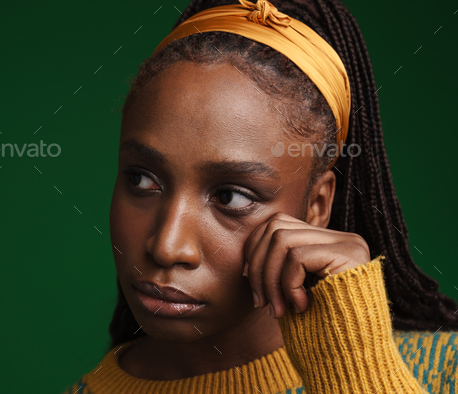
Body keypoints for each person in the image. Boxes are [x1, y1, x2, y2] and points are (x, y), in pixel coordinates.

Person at [63, 0, 458, 392]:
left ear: (317, 206)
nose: (167, 248)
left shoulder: (443, 371)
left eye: (231, 197)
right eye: (142, 180)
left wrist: (358, 376)